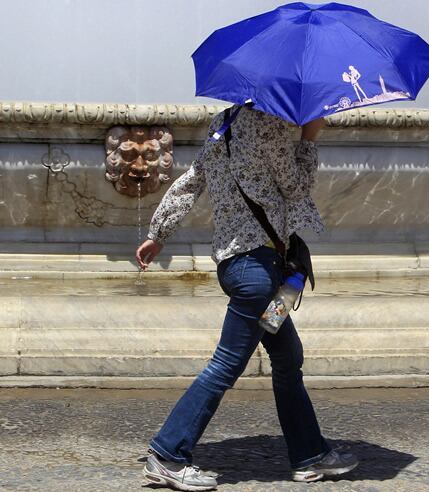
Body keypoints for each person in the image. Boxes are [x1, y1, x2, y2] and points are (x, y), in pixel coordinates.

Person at [136, 106, 358, 491]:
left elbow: (191, 181)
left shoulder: (221, 123)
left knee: (288, 357)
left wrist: (158, 233)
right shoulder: (268, 124)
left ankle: (310, 456)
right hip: (258, 272)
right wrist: (309, 138)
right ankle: (168, 454)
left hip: (252, 270)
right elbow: (296, 186)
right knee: (225, 365)